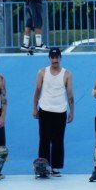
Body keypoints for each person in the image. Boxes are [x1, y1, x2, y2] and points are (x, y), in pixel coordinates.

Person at [33, 47, 74, 176]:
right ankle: (43, 167)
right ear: (49, 58)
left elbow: (70, 94)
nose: (55, 60)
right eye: (52, 57)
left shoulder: (66, 73)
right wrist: (34, 107)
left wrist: (72, 111)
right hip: (44, 110)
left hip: (60, 111)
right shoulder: (42, 72)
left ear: (60, 58)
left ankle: (56, 167)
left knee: (58, 140)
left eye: (57, 57)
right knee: (44, 140)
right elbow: (37, 91)